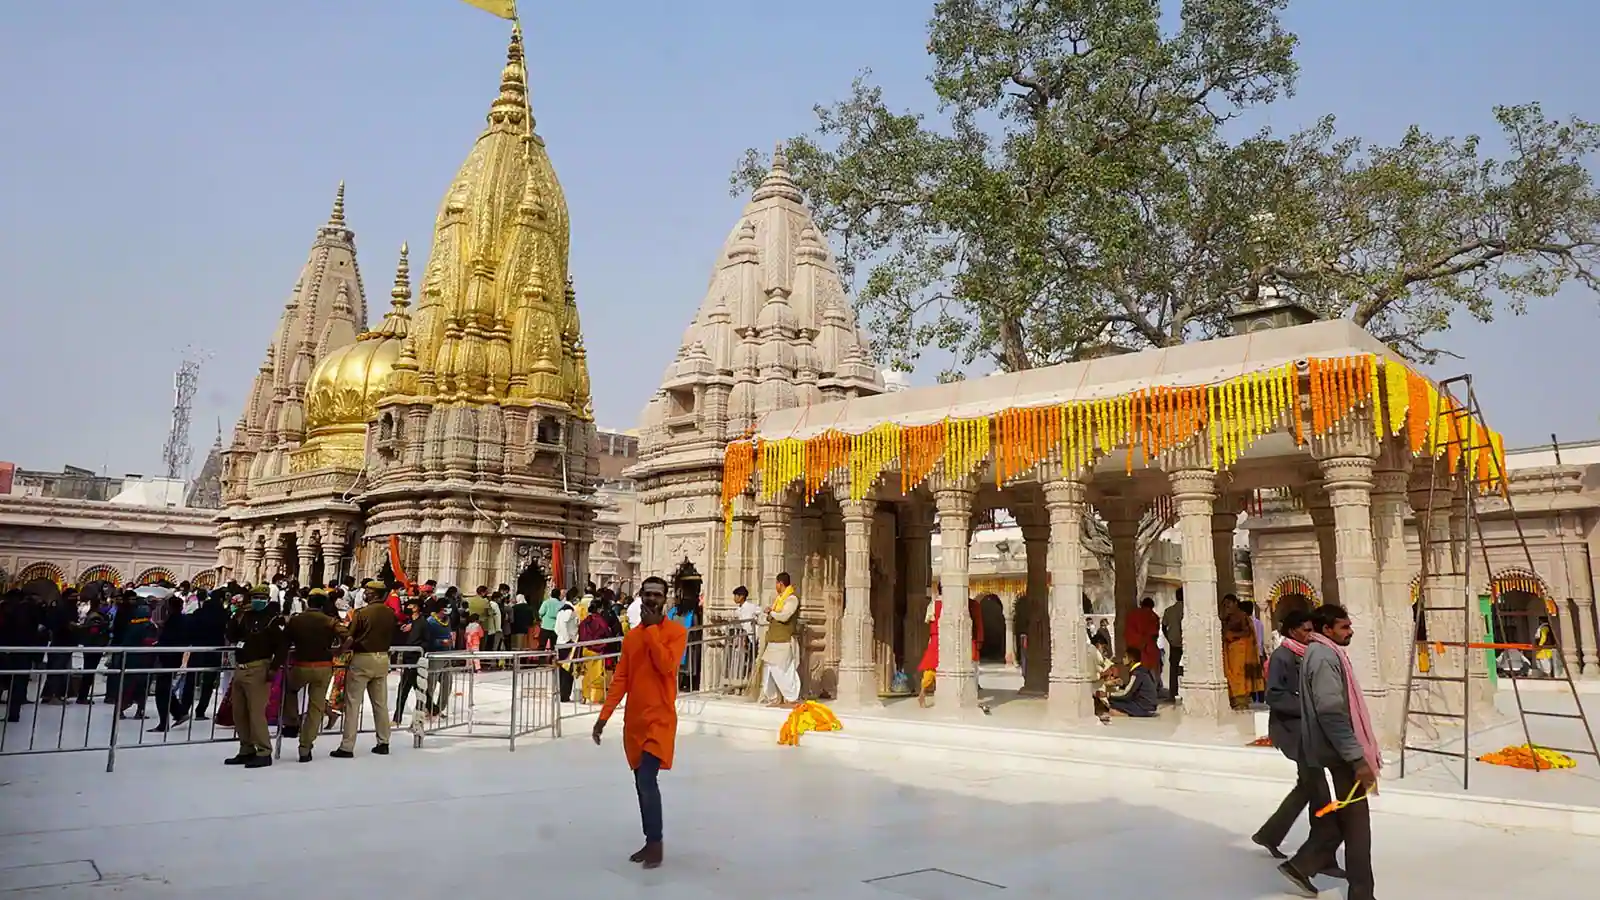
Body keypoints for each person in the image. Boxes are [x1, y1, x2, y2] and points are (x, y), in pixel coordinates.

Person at [1280, 605, 1378, 900]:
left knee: (1350, 817)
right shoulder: (1323, 657)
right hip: (1339, 751)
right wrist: (1356, 757)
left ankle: (1303, 863)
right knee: (1358, 824)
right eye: (1344, 627)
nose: (1350, 632)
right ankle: (1361, 893)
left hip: (1337, 749)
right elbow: (1331, 713)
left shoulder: (1326, 653)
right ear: (1327, 630)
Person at [592, 576, 688, 870]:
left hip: (659, 719)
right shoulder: (631, 637)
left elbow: (666, 665)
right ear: (640, 596)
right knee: (640, 783)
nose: (652, 600)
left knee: (647, 779)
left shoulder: (675, 632)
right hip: (634, 720)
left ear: (665, 599)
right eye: (647, 594)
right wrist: (603, 717)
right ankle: (650, 841)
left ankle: (656, 843)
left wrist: (651, 632)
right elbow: (622, 679)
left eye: (657, 595)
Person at [1252, 609, 1343, 875]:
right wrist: (1308, 706)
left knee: (1307, 788)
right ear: (1292, 631)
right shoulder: (1283, 656)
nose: (1310, 634)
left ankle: (1270, 834)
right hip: (1293, 732)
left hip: (1308, 731)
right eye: (1305, 629)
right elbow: (1274, 695)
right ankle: (1321, 856)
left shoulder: (1308, 654)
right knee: (1319, 793)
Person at [332, 590, 398, 759]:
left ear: (370, 596)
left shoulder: (362, 613)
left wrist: (340, 650)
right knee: (380, 704)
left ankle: (347, 746)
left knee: (353, 703)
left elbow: (350, 636)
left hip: (362, 659)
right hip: (382, 658)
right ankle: (383, 742)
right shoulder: (390, 613)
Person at [281, 592, 346, 762]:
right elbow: (348, 636)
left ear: (307, 603)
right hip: (323, 666)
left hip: (301, 665)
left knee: (290, 690)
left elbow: (284, 642)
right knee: (315, 708)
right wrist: (339, 650)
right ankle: (305, 747)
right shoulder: (329, 621)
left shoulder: (296, 620)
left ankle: (293, 721)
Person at [224, 587, 285, 768]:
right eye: (255, 597)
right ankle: (246, 748)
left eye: (262, 597)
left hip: (258, 668)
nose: (258, 600)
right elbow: (231, 635)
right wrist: (235, 616)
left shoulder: (273, 619)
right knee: (239, 712)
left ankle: (264, 751)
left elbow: (281, 646)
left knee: (256, 713)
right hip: (240, 668)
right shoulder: (245, 616)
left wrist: (274, 668)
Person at [759, 572, 802, 707]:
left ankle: (791, 698)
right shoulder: (779, 599)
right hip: (774, 640)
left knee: (783, 670)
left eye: (776, 584)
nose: (776, 587)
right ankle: (774, 698)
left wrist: (771, 612)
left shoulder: (791, 599)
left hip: (783, 641)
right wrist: (770, 614)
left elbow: (784, 616)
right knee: (768, 670)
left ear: (780, 584)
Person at [1222, 594, 1263, 710]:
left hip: (1240, 653)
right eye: (1225, 605)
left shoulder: (1241, 616)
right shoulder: (1227, 617)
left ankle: (1240, 701)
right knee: (1232, 676)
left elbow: (1246, 633)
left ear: (1235, 603)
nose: (1227, 606)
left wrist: (1232, 636)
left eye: (1229, 603)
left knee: (1239, 677)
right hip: (1231, 653)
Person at [1106, 645, 1158, 717]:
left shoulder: (1137, 673)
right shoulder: (1141, 670)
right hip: (1148, 706)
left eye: (1125, 657)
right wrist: (1122, 685)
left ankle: (1125, 714)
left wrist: (1108, 695)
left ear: (1131, 659)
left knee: (1112, 702)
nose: (1123, 659)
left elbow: (1126, 694)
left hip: (1144, 707)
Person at [1124, 597, 1162, 673]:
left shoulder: (1132, 615)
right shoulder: (1153, 616)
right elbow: (1154, 634)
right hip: (1148, 651)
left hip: (1133, 651)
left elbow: (1127, 633)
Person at [917, 597, 942, 708]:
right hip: (942, 637)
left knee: (931, 666)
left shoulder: (932, 604)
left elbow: (928, 620)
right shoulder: (949, 603)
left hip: (934, 637)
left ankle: (923, 691)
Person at [1161, 590, 1184, 700]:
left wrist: (1169, 638)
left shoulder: (1169, 610)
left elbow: (1164, 626)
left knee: (1173, 668)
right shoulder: (1189, 610)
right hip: (1188, 642)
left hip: (1174, 642)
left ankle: (1173, 693)